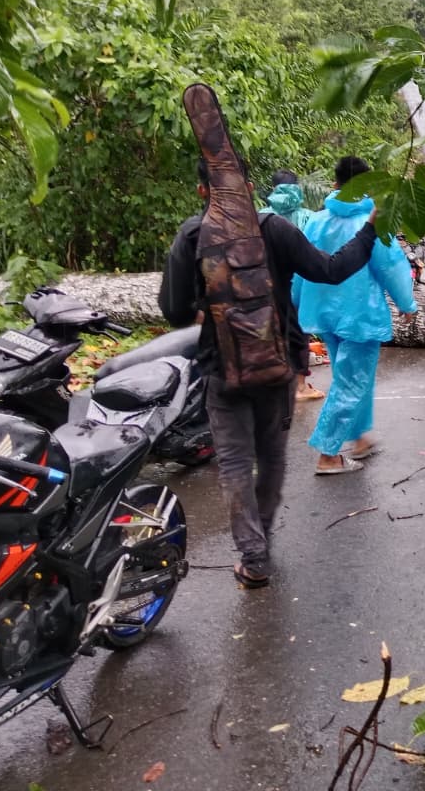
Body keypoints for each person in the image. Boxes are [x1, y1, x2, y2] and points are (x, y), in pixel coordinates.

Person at [160, 157, 380, 589]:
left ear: (203, 190)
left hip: (222, 370)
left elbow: (173, 310)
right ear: (249, 184)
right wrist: (370, 228)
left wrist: (208, 305)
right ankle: (261, 542)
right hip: (275, 365)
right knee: (272, 457)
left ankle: (253, 554)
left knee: (236, 462)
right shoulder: (275, 228)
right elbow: (330, 270)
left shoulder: (191, 234)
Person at [294, 156, 418, 475]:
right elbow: (391, 267)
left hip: (323, 315)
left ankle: (359, 438)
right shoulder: (372, 223)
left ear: (335, 184)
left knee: (347, 379)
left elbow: (300, 267)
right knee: (352, 383)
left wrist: (294, 302)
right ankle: (328, 453)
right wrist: (407, 304)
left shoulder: (316, 221)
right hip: (361, 314)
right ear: (368, 186)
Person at [259, 169, 324, 402]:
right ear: (297, 187)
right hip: (299, 286)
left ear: (273, 188)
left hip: (266, 286)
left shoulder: (259, 215)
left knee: (268, 332)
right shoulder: (309, 217)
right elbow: (314, 254)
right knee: (299, 333)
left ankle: (270, 383)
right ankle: (299, 386)